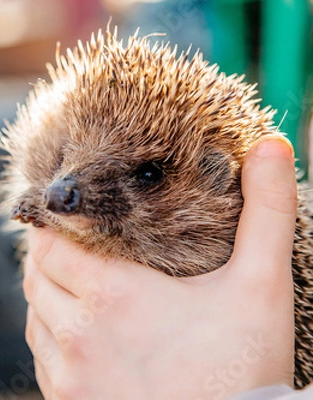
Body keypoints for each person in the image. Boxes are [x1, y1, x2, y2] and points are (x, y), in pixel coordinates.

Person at [23, 136, 313, 399]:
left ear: (213, 177)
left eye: (147, 176)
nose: (62, 188)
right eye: (66, 155)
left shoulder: (202, 237)